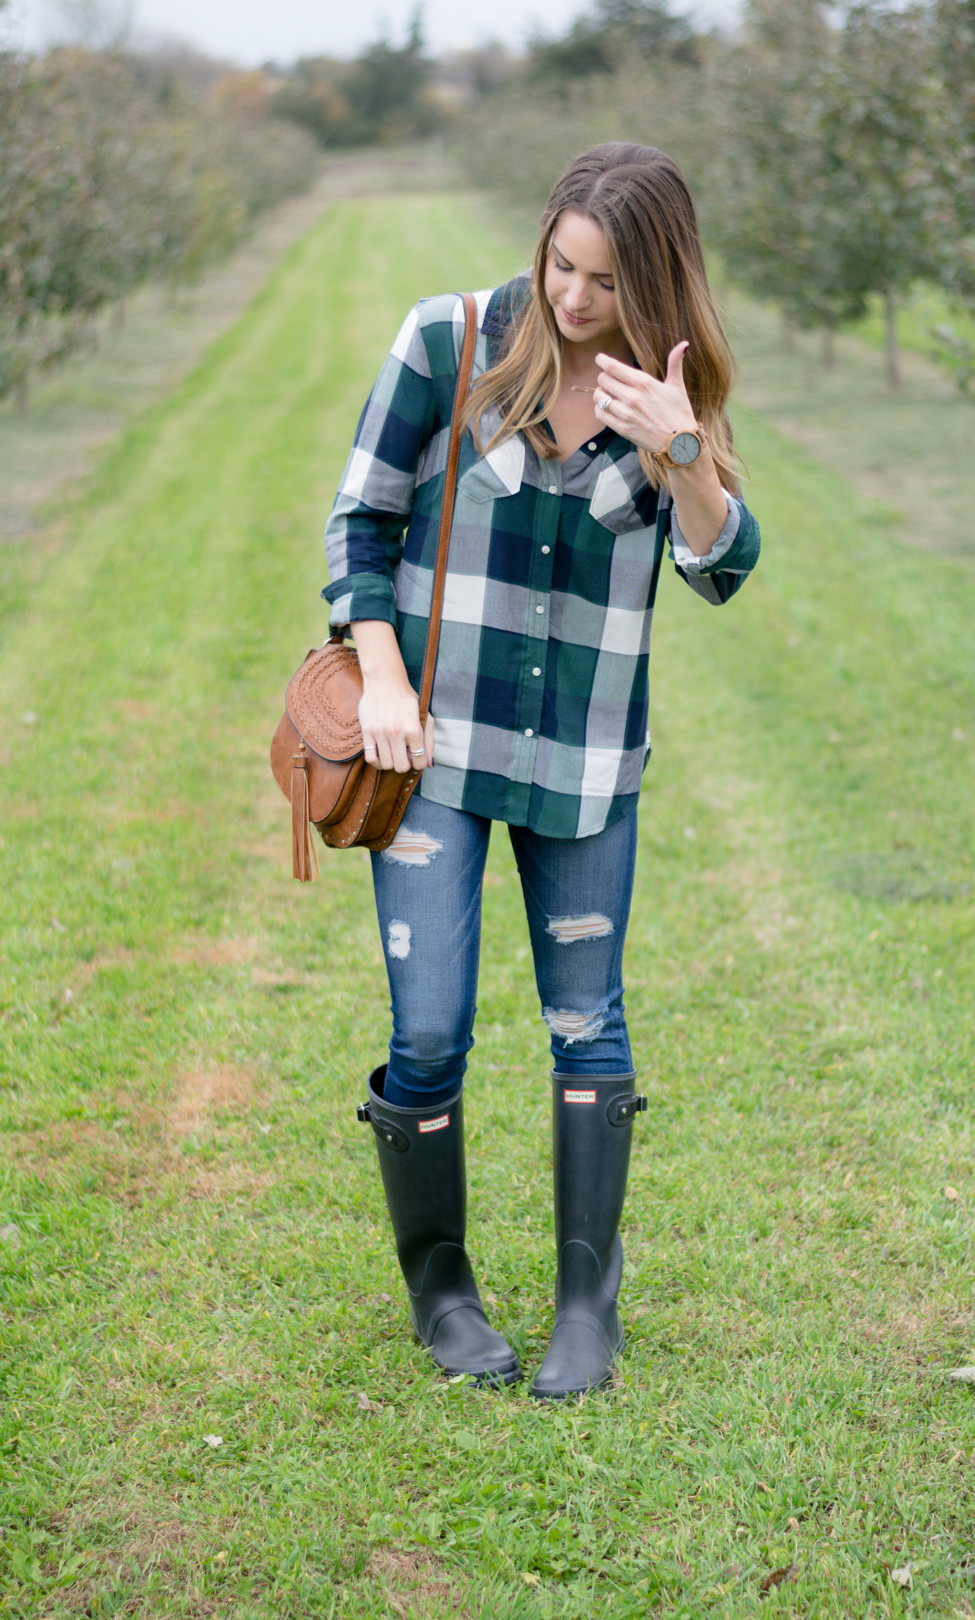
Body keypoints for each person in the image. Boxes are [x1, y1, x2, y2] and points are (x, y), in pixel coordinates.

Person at [322, 142, 760, 1399]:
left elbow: (724, 566)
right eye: (561, 264)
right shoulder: (449, 341)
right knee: (430, 1026)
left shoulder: (671, 391)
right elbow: (361, 520)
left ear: (657, 285)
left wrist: (682, 451)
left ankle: (586, 1312)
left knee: (588, 1025)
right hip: (436, 751)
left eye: (607, 282)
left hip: (582, 762)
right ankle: (444, 1294)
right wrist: (386, 676)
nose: (573, 299)